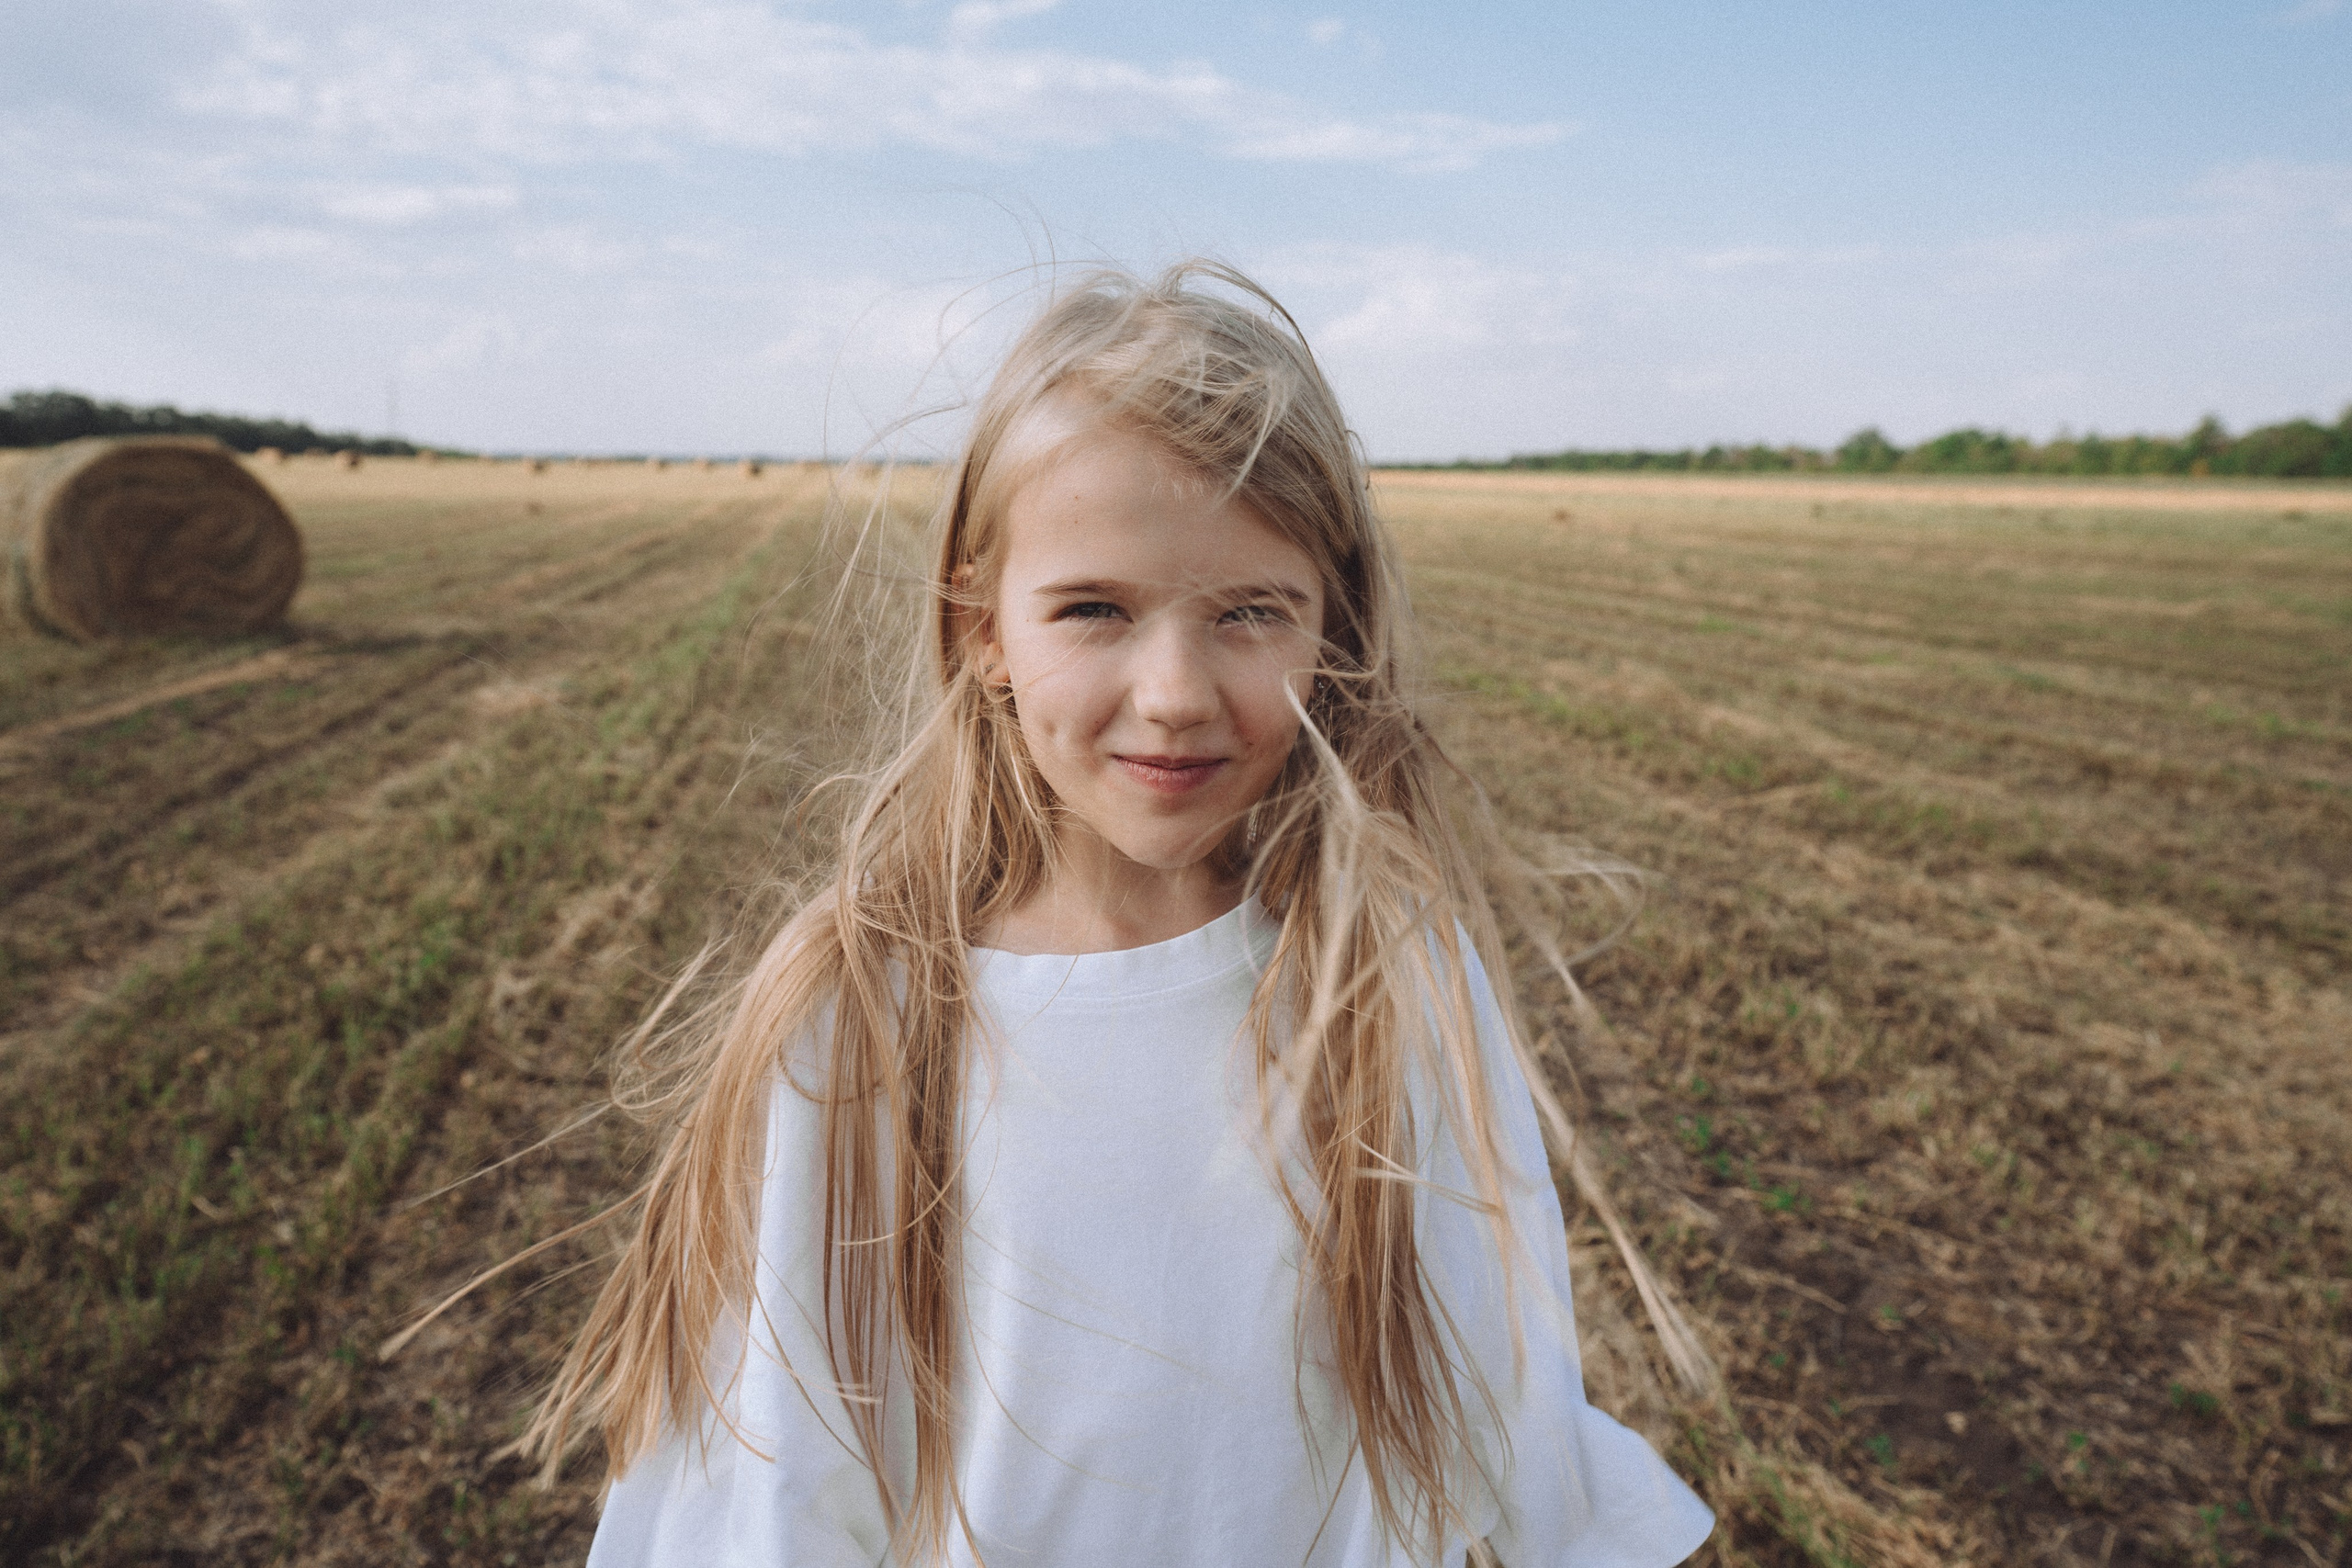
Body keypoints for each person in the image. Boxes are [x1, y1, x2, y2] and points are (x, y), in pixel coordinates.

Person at [527, 261, 1717, 1566]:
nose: (1174, 693)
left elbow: (1512, 1415)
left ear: (1334, 632)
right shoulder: (861, 1009)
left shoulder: (1385, 978)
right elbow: (782, 1488)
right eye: (1095, 609)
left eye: (1250, 613)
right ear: (983, 629)